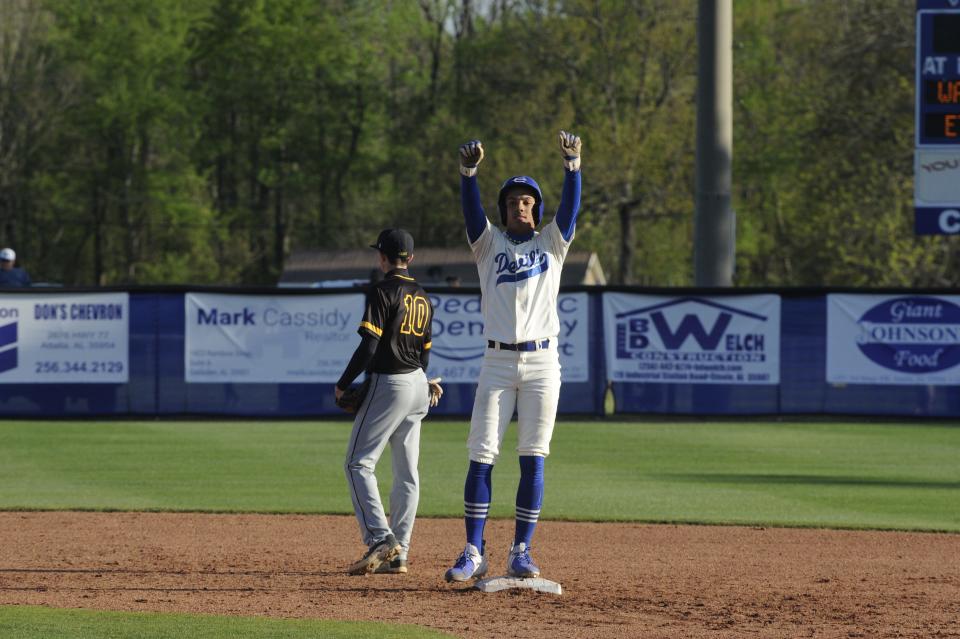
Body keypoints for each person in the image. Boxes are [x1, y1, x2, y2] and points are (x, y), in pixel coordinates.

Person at [444, 131, 582, 582]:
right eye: (512, 203)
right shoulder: (488, 247)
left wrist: (572, 166)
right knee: (481, 455)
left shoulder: (552, 245)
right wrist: (469, 174)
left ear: (536, 211)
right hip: (498, 363)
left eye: (526, 202)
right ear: (503, 211)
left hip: (543, 364)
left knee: (533, 456)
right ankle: (472, 549)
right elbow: (470, 212)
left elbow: (570, 210)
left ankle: (521, 549)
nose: (519, 207)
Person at [337, 228, 441, 575]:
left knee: (357, 464)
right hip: (418, 385)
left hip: (391, 382)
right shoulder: (423, 296)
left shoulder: (383, 290)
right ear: (409, 258)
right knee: (406, 473)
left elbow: (369, 347)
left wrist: (343, 384)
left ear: (382, 257)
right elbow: (425, 356)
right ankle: (400, 553)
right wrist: (423, 384)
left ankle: (381, 539)